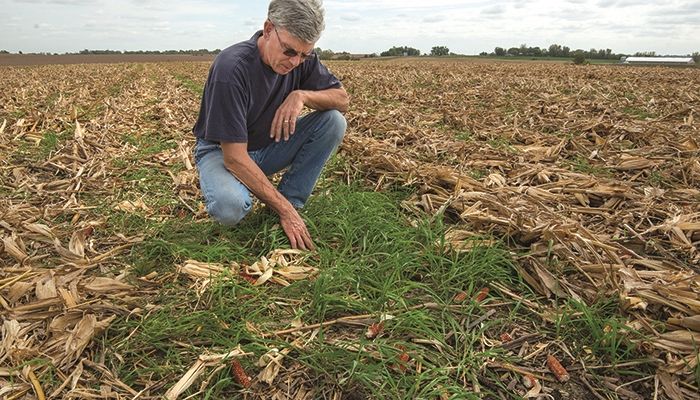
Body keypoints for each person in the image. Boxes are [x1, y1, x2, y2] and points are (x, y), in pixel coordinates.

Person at [193, 0, 349, 251]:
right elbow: (234, 158)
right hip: (221, 153)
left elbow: (342, 99)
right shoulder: (231, 68)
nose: (296, 62)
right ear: (268, 29)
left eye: (304, 54)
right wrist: (285, 211)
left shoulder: (300, 58)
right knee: (230, 207)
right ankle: (284, 208)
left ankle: (290, 201)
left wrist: (302, 96)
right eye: (289, 51)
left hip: (268, 145)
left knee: (333, 121)